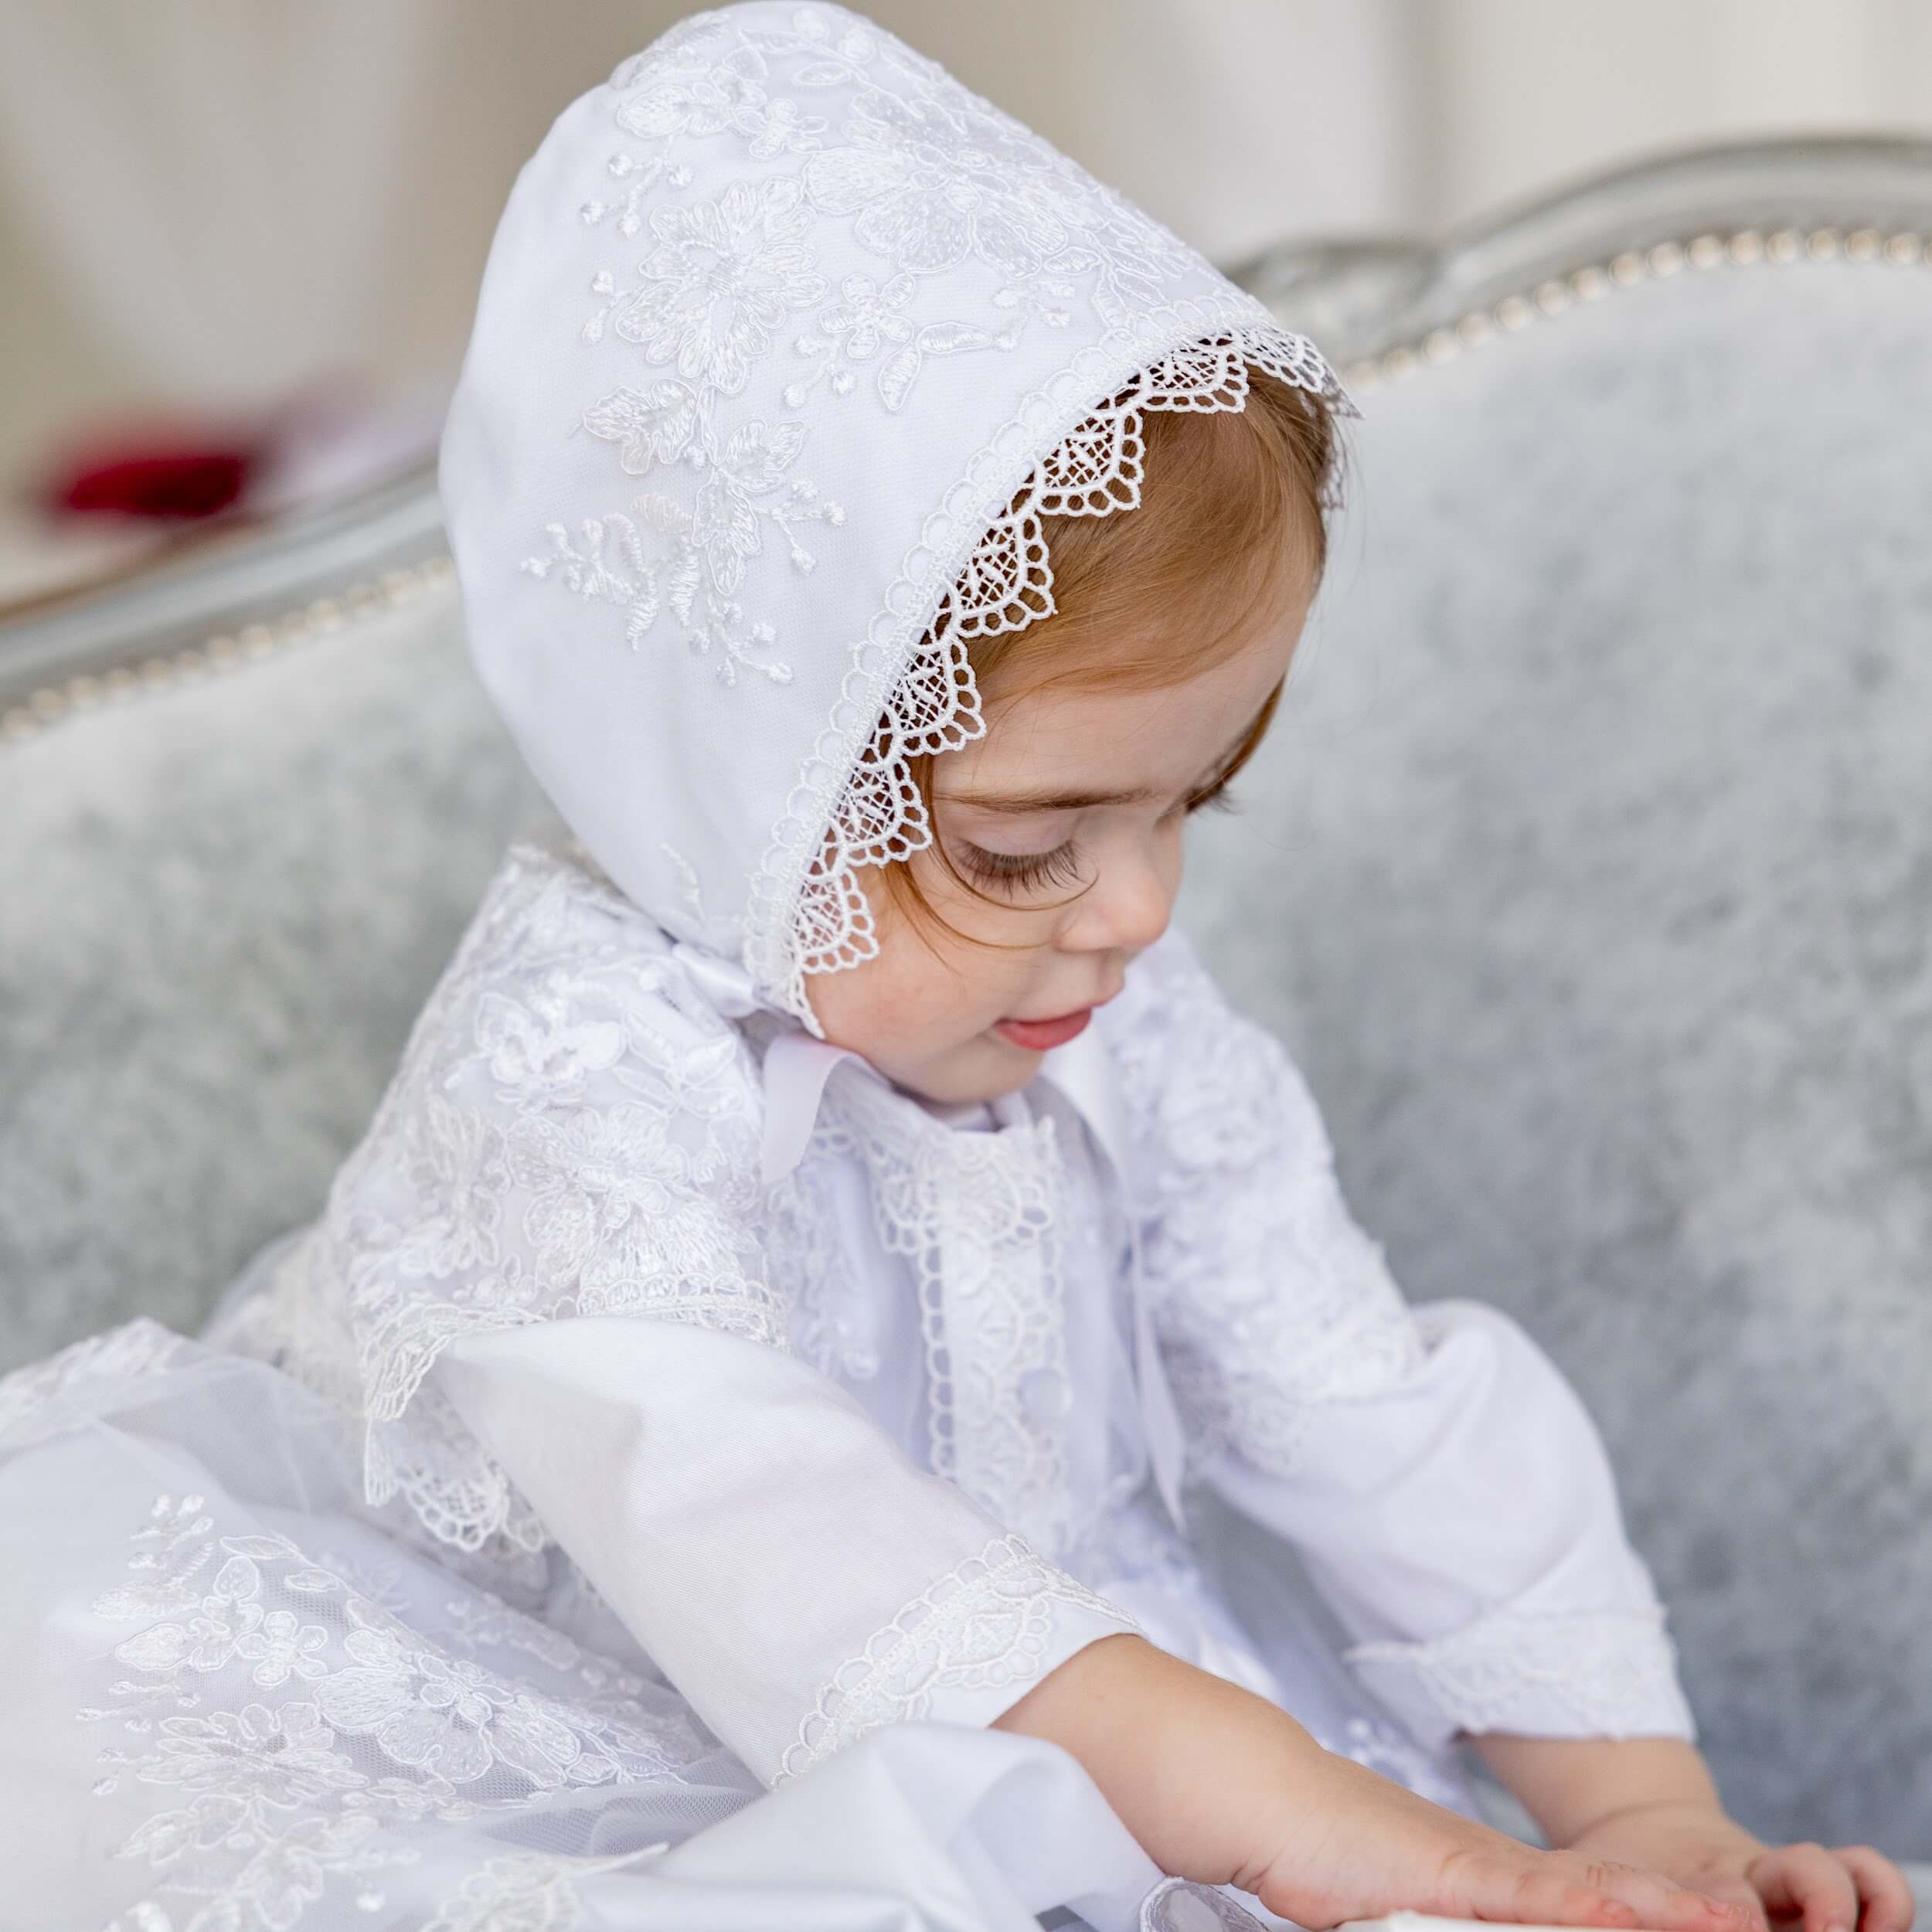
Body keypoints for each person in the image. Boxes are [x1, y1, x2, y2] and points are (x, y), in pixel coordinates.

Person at [0, 7, 1914, 1930]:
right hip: (679, 1719)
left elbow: (1355, 1403)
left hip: (1098, 1698)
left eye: (1197, 801)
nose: (1138, 911)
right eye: (1024, 845)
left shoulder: (1126, 1031)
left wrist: (1643, 1811)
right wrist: (1293, 1814)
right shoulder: (576, 1086)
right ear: (731, 778)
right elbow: (782, 1544)